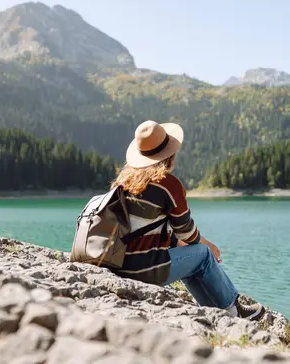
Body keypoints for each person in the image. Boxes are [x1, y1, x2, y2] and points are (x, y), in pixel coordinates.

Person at [111, 120, 265, 320]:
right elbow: (186, 231)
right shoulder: (166, 184)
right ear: (169, 155)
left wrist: (180, 243)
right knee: (202, 254)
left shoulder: (125, 183)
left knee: (192, 256)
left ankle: (216, 312)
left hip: (118, 263)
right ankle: (234, 311)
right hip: (142, 270)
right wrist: (208, 245)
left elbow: (148, 232)